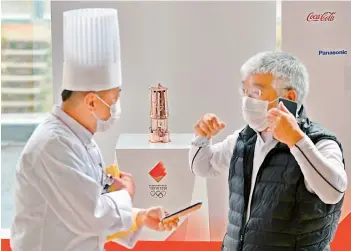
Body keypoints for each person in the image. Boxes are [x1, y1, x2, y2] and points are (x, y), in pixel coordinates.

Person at [11, 8, 178, 251]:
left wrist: (139, 216)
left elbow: (86, 208)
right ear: (91, 101)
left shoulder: (77, 140)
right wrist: (126, 194)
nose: (115, 106)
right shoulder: (52, 145)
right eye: (113, 98)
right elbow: (92, 215)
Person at [189, 51, 347, 251]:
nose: (247, 100)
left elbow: (333, 192)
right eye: (244, 92)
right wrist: (201, 137)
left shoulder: (319, 142)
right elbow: (203, 167)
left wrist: (296, 141)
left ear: (288, 97)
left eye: (256, 93)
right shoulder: (244, 139)